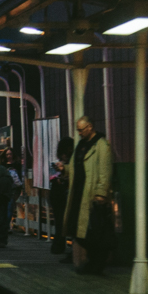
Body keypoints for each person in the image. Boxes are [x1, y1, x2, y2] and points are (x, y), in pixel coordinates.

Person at [60, 116, 114, 274]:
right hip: (79, 194)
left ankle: (96, 263)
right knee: (81, 231)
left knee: (92, 232)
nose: (80, 133)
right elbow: (74, 167)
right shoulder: (81, 145)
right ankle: (92, 263)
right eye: (78, 130)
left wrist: (101, 193)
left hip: (90, 196)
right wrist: (64, 169)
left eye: (82, 130)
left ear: (90, 127)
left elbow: (105, 170)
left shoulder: (101, 145)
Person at [49, 136, 75, 254]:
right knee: (63, 221)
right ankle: (62, 245)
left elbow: (52, 178)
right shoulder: (72, 163)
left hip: (56, 194)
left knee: (59, 221)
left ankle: (58, 245)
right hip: (64, 194)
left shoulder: (56, 164)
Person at [5, 146, 24, 233]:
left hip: (14, 188)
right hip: (6, 188)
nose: (9, 156)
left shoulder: (17, 164)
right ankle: (6, 225)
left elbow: (21, 175)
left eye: (10, 154)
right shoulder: (3, 164)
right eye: (7, 154)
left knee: (10, 206)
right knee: (7, 207)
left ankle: (6, 226)